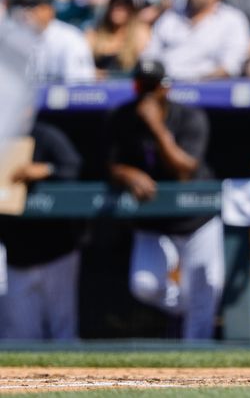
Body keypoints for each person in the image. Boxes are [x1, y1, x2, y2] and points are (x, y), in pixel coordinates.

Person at [106, 58, 224, 339]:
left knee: (207, 287)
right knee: (144, 284)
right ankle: (185, 305)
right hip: (153, 219)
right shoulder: (122, 117)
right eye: (140, 85)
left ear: (165, 88)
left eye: (152, 86)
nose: (146, 92)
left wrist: (157, 127)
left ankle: (199, 360)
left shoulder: (189, 116)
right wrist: (127, 173)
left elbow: (185, 170)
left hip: (196, 217)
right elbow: (111, 164)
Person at [0, 119, 86, 340]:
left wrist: (46, 169)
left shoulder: (45, 135)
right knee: (20, 335)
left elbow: (74, 167)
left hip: (57, 251)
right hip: (15, 253)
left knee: (63, 329)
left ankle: (72, 376)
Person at [140, 0, 250, 80]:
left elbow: (230, 67)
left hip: (209, 90)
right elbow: (150, 57)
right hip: (165, 87)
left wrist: (195, 85)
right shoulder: (170, 18)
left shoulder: (232, 20)